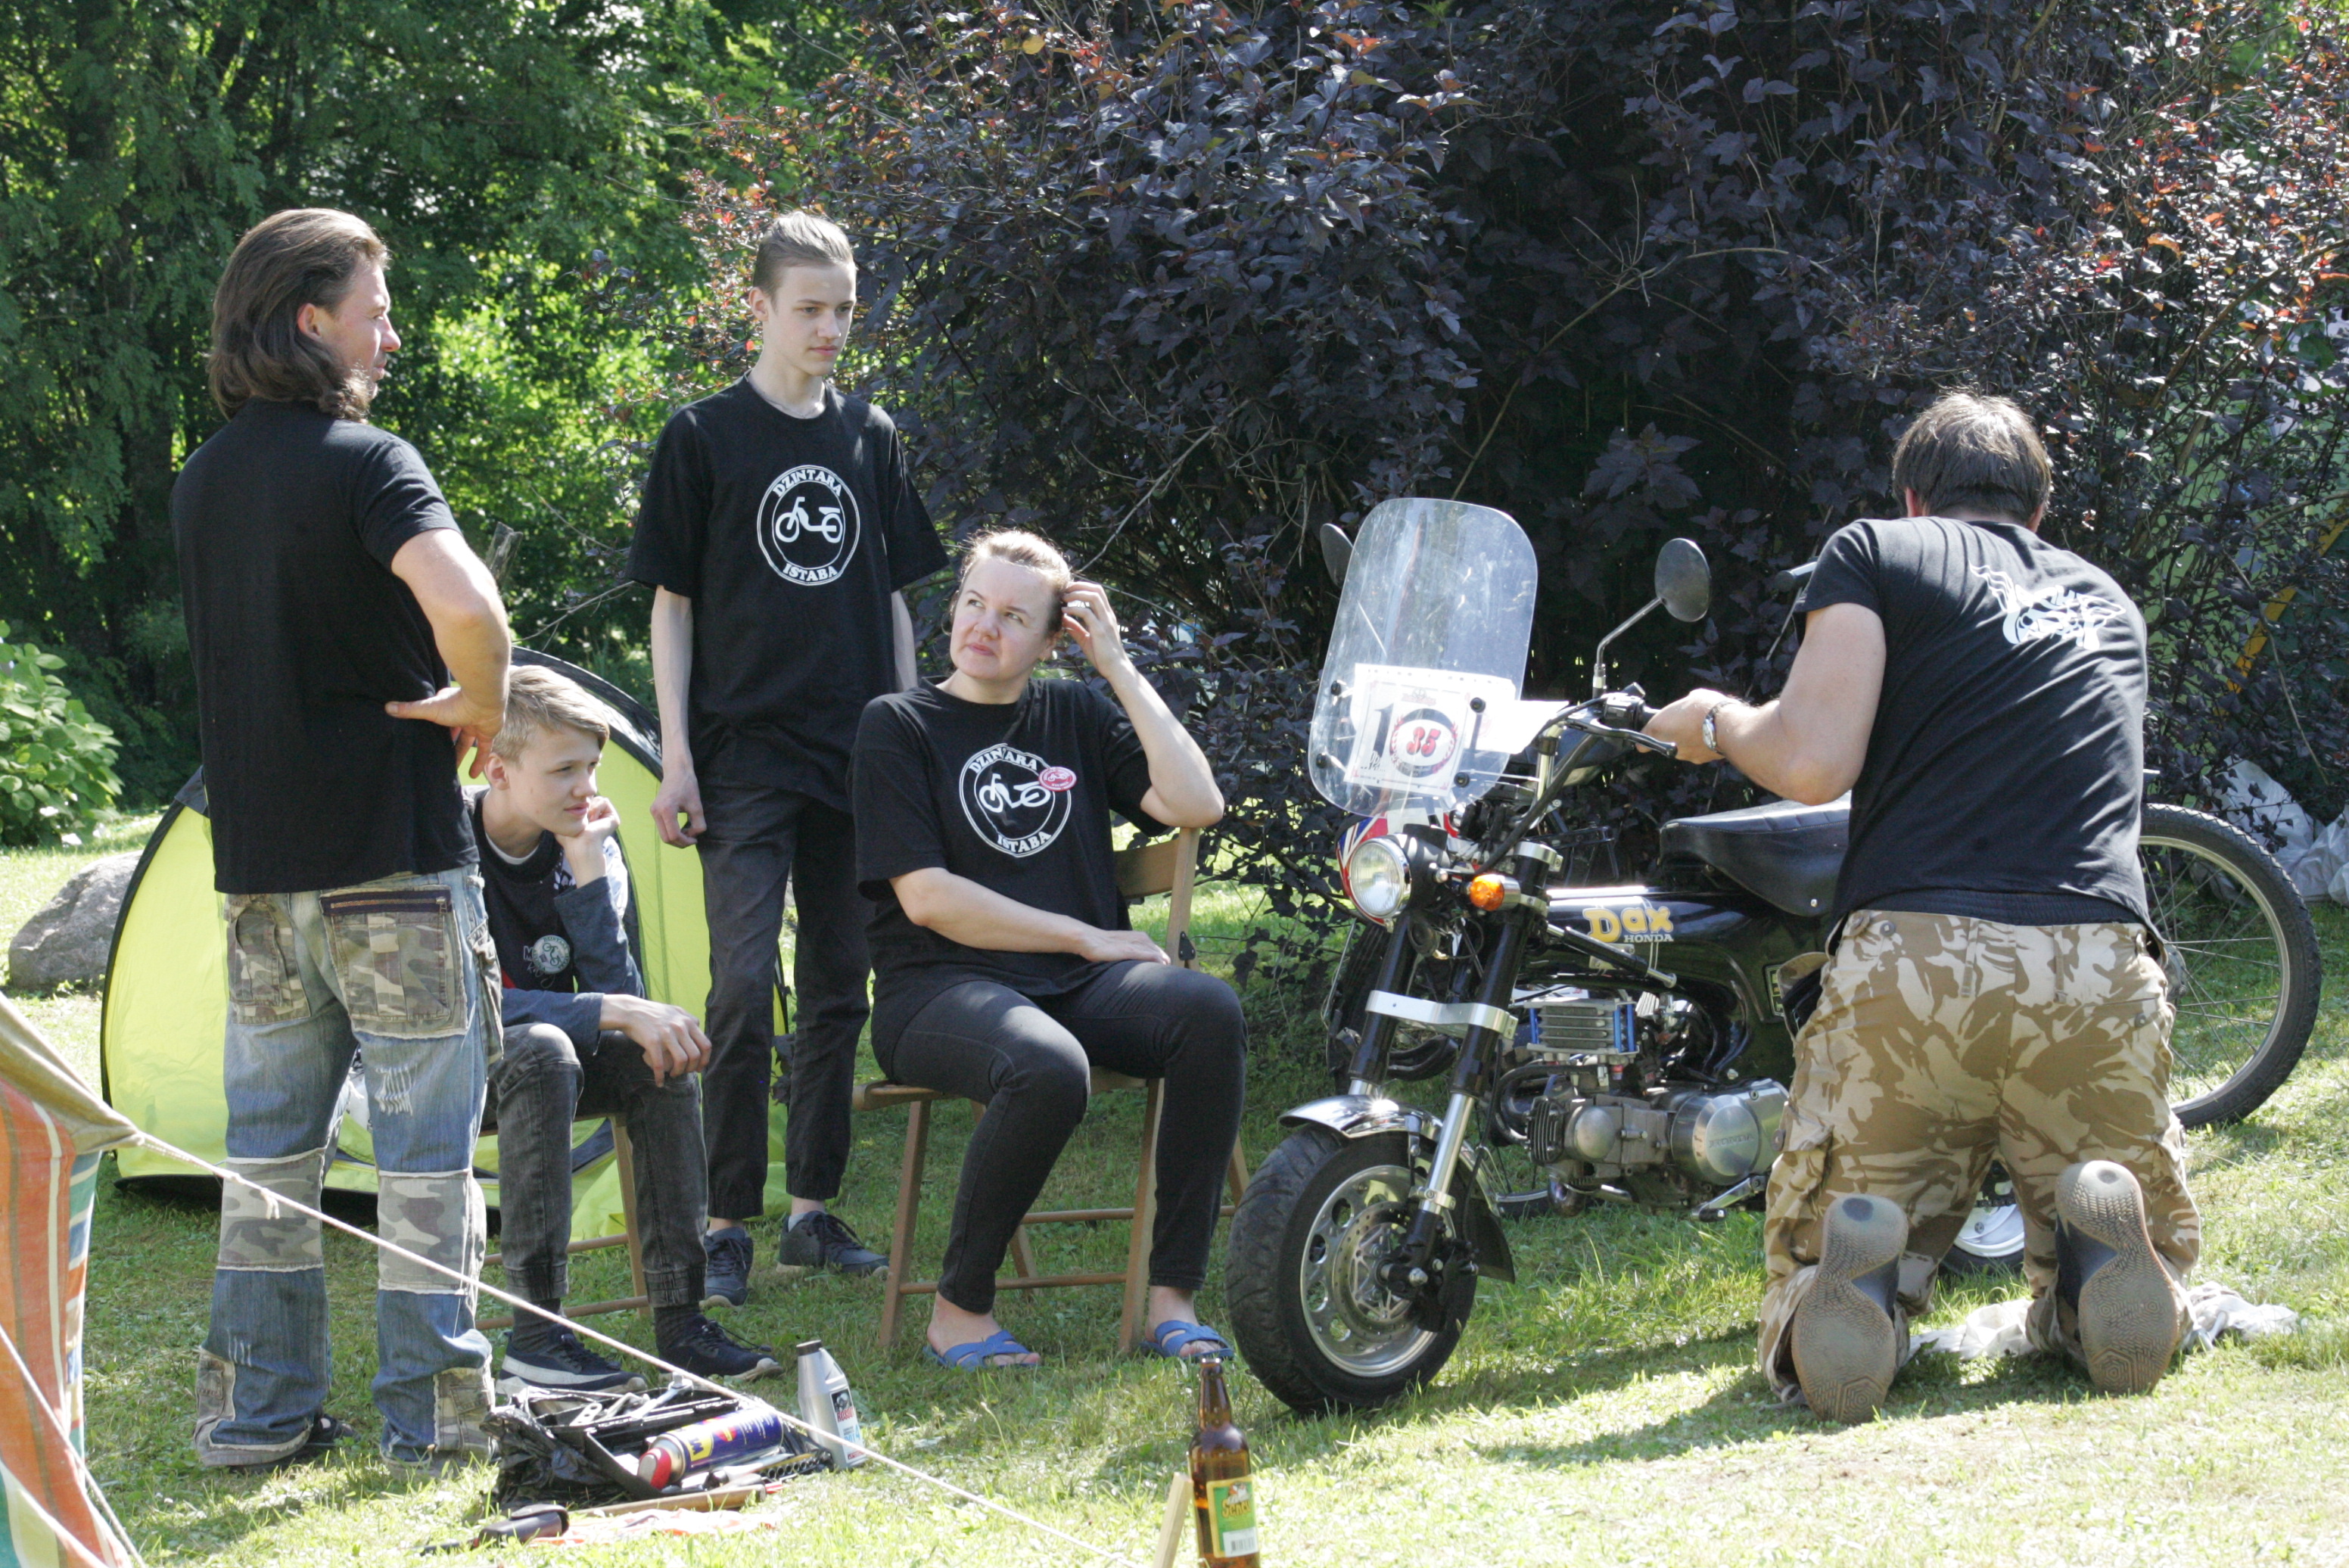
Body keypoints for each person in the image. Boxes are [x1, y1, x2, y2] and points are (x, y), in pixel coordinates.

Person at [1644, 390, 2198, 1422]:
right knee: (2099, 1187)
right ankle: (2095, 1269)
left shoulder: (1877, 553)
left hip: (1916, 961)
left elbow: (1812, 762)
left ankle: (1858, 1286)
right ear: (2038, 510)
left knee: (1850, 1220)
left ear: (1912, 499)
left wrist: (1715, 721)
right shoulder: (2107, 600)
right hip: (2095, 963)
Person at [175, 209, 510, 1471]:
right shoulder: (371, 462)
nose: (391, 334)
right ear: (310, 320)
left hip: (261, 881)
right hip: (398, 870)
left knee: (266, 1167)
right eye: (376, 309)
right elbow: (469, 605)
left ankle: (257, 1419)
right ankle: (433, 1426)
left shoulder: (201, 480)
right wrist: (484, 700)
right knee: (424, 1167)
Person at [627, 210, 950, 1306]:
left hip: (856, 759)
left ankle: (812, 1209)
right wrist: (676, 757)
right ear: (758, 308)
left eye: (844, 309)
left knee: (838, 989)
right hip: (741, 758)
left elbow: (895, 600)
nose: (830, 328)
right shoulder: (702, 436)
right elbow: (672, 610)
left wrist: (911, 735)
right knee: (736, 988)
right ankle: (726, 1223)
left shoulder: (870, 434)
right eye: (809, 308)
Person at [852, 530, 1246, 1368]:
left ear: (1049, 640)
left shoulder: (1073, 713)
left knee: (1208, 1010)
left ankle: (1169, 1299)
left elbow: (1196, 804)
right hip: (938, 989)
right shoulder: (897, 725)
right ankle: (958, 1312)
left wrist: (1117, 668)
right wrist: (1083, 934)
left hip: (1074, 986)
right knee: (1046, 1064)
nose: (983, 627)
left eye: (1012, 617)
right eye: (974, 604)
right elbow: (928, 899)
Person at [469, 665, 784, 1390]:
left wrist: (588, 878)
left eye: (592, 767)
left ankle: (682, 1322)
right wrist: (607, 1012)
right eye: (564, 770)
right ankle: (537, 1336)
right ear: (499, 769)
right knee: (545, 1049)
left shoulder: (589, 841)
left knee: (657, 1060)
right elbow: (458, 1005)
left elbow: (627, 1007)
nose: (586, 788)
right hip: (444, 1068)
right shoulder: (446, 842)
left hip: (551, 1066)